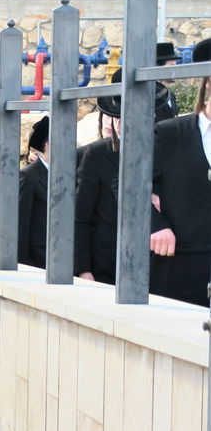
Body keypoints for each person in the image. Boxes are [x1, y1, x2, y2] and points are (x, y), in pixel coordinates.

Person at [75, 69, 171, 285]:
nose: (119, 123)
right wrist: (84, 270)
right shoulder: (96, 155)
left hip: (159, 267)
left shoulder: (166, 150)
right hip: (108, 268)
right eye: (117, 116)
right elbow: (81, 217)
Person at [150, 38, 211, 307]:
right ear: (208, 82)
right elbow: (127, 184)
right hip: (181, 269)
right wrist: (155, 226)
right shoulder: (170, 133)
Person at [19, 116, 49, 269]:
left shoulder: (70, 172)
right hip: (37, 260)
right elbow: (21, 224)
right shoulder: (28, 176)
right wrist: (24, 264)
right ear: (47, 145)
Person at [155, 41, 181, 122]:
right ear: (157, 68)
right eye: (171, 67)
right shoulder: (150, 95)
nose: (175, 71)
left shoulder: (171, 95)